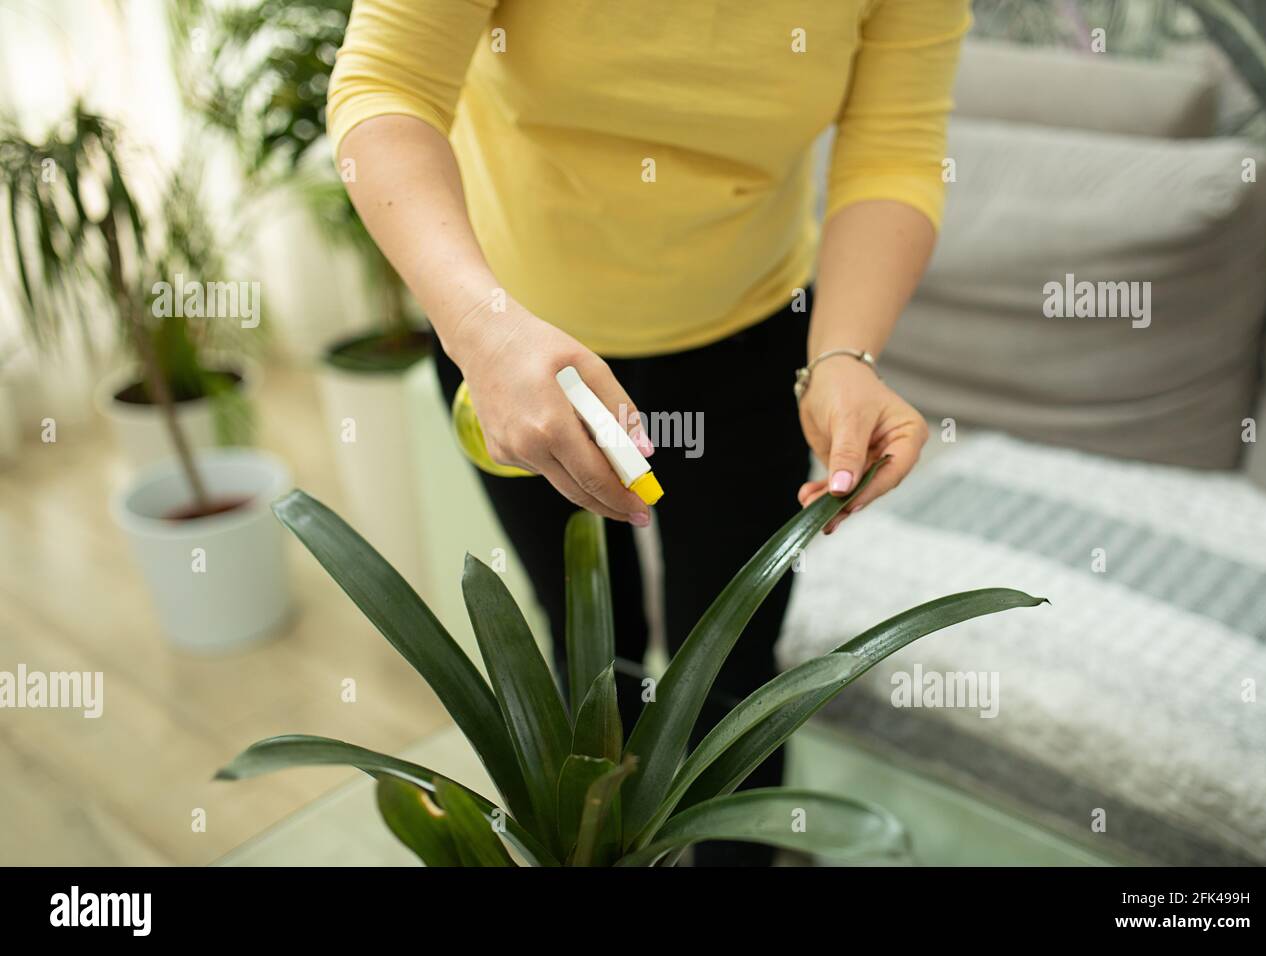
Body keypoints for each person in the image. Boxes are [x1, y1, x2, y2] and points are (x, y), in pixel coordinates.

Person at [329, 0, 968, 865]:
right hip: (518, 342)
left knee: (734, 667)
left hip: (751, 342)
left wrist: (845, 355)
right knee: (590, 651)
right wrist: (481, 328)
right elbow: (386, 83)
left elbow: (892, 150)